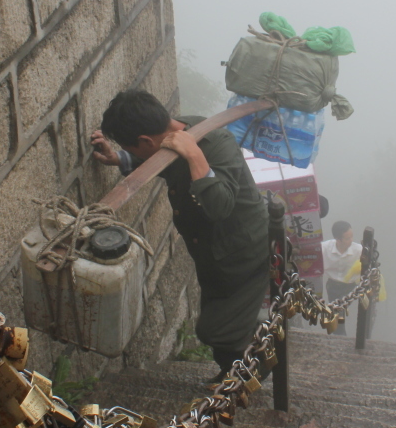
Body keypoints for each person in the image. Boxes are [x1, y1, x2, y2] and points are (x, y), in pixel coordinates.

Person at [90, 90, 269, 383]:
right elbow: (163, 161)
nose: (135, 154)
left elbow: (220, 206)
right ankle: (234, 376)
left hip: (241, 253)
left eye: (132, 148)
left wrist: (195, 155)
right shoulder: (174, 136)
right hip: (212, 252)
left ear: (147, 141)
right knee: (222, 318)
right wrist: (119, 158)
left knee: (217, 330)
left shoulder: (214, 144)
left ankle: (253, 367)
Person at [321, 220, 362, 336]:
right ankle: (340, 338)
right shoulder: (325, 248)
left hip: (351, 287)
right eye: (347, 238)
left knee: (341, 314)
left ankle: (342, 336)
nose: (351, 240)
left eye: (351, 237)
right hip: (333, 286)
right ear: (338, 240)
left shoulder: (358, 250)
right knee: (338, 315)